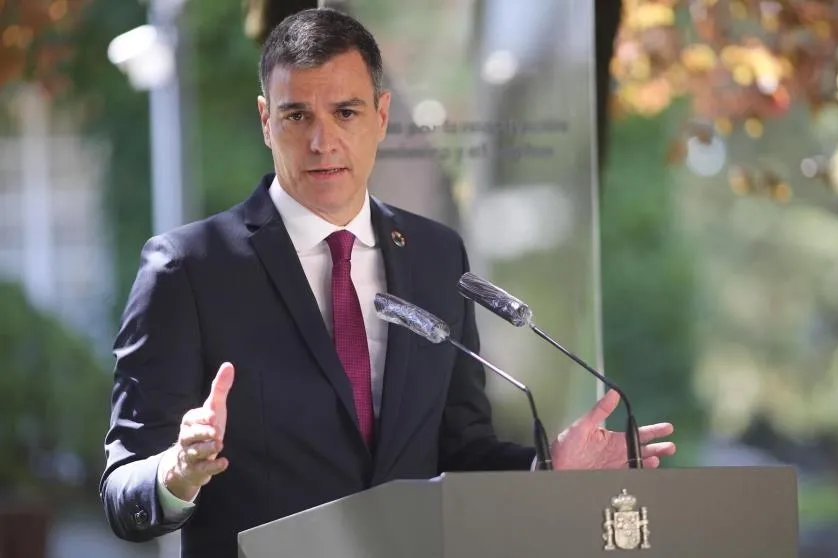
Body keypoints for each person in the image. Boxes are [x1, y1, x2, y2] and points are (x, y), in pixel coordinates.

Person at [100, 8, 676, 558]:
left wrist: (546, 471)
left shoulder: (436, 255)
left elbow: (458, 446)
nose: (322, 141)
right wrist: (176, 474)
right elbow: (123, 494)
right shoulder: (188, 269)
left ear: (381, 115)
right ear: (265, 121)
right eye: (297, 115)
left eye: (345, 112)